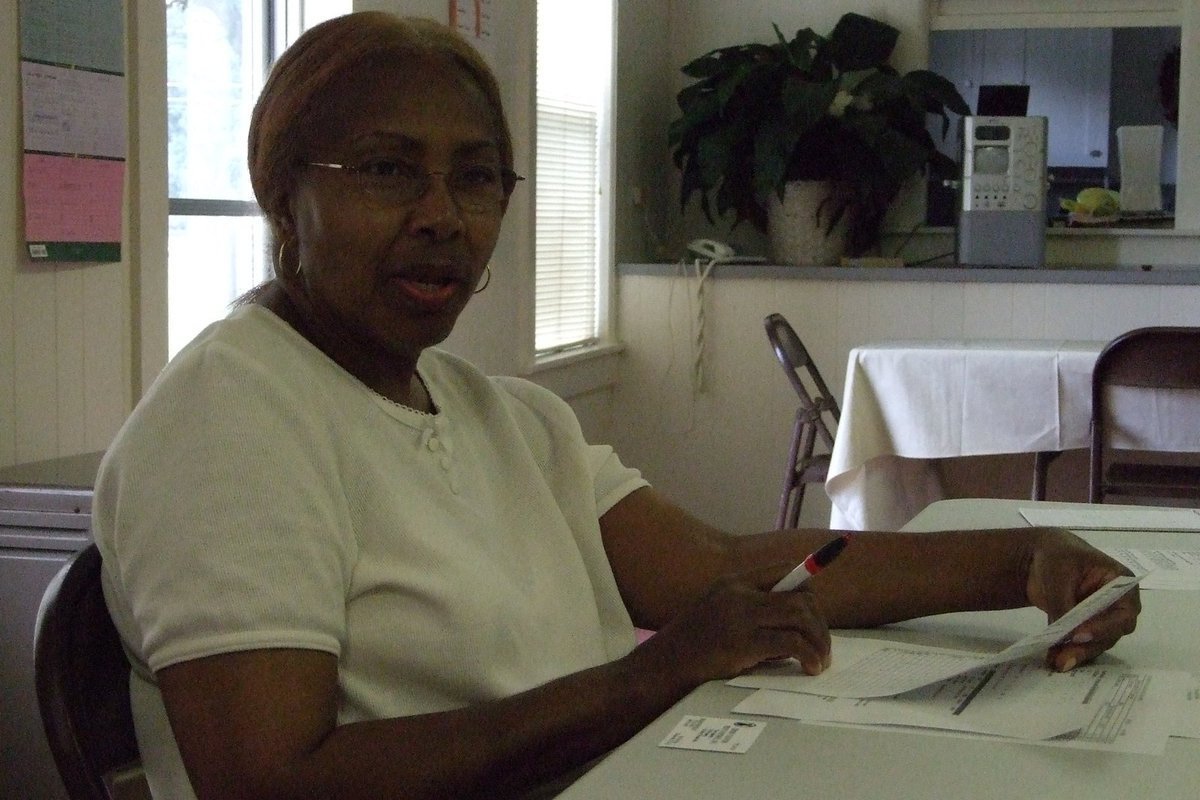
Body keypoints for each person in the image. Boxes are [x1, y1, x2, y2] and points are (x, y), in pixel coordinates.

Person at [92, 12, 1140, 800]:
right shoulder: (229, 420)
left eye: (476, 179)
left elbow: (729, 572)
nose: (441, 218)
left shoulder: (499, 412)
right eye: (383, 171)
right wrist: (646, 680)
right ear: (282, 193)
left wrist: (1026, 553)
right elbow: (278, 782)